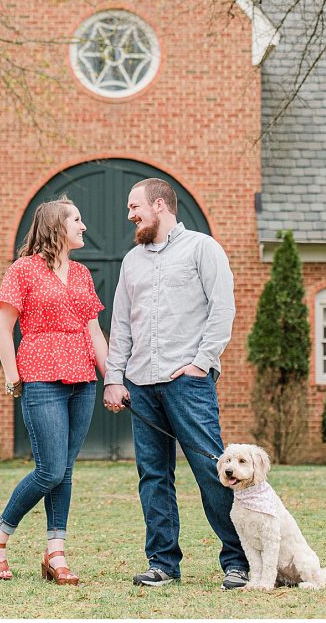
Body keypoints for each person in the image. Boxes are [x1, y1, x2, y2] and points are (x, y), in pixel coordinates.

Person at [102, 177, 250, 590]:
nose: (130, 215)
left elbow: (223, 310)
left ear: (160, 205)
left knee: (213, 470)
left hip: (188, 383)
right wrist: (115, 378)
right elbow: (121, 325)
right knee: (153, 475)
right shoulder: (132, 261)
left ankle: (237, 562)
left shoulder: (203, 249)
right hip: (142, 384)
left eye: (135, 207)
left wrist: (201, 364)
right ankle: (163, 563)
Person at [0, 196, 108, 585]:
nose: (84, 227)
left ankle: (56, 553)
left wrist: (112, 377)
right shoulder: (22, 270)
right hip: (40, 376)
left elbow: (93, 330)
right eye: (77, 220)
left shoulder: (83, 274)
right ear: (56, 226)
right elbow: (4, 326)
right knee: (49, 469)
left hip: (82, 379)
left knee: (65, 470)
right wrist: (11, 374)